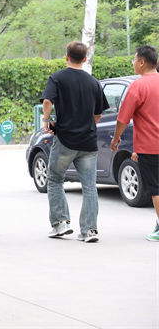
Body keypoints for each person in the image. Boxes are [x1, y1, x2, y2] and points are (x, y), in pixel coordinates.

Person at [41, 41, 109, 243]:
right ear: (85, 58)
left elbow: (47, 101)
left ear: (66, 57)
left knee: (55, 179)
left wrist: (46, 120)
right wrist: (88, 125)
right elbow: (98, 113)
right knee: (89, 186)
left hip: (65, 140)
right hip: (88, 142)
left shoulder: (57, 78)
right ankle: (90, 230)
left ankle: (60, 223)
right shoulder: (93, 82)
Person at [110, 45, 159, 241]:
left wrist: (116, 138)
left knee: (156, 189)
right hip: (147, 147)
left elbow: (123, 118)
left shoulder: (138, 86)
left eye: (134, 60)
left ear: (142, 62)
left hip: (151, 147)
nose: (133, 63)